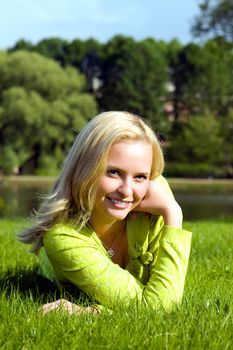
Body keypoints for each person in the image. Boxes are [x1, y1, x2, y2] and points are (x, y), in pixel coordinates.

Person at [19, 111, 192, 315]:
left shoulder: (158, 195)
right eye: (113, 172)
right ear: (84, 168)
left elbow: (159, 307)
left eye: (140, 176)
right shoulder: (63, 237)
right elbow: (154, 309)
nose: (127, 191)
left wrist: (173, 212)